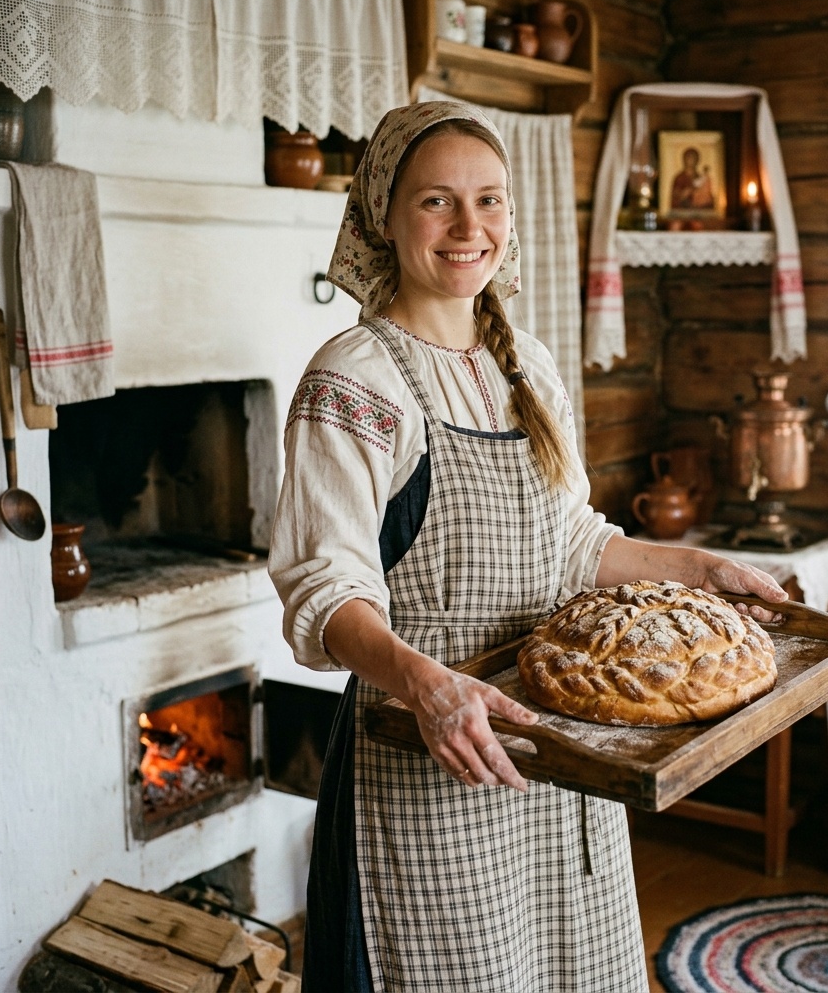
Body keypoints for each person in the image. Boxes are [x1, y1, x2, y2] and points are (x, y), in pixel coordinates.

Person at [268, 100, 788, 993]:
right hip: (430, 758)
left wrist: (701, 571)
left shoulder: (529, 367)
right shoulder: (352, 380)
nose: (471, 227)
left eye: (491, 200)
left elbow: (573, 543)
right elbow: (326, 592)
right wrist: (429, 688)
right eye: (438, 202)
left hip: (555, 754)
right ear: (383, 217)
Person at [671, 145, 715, 210]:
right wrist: (683, 194)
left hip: (699, 210)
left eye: (694, 158)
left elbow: (708, 197)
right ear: (684, 159)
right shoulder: (679, 178)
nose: (691, 160)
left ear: (697, 160)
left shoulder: (701, 178)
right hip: (683, 211)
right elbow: (675, 197)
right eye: (689, 158)